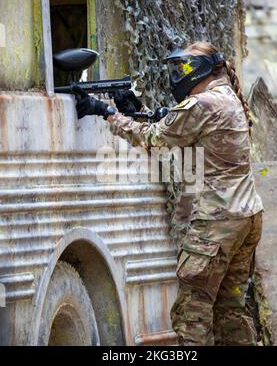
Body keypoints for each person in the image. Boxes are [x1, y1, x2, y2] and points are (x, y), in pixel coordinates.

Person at [74, 41, 264, 346]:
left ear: (195, 70)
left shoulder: (201, 104)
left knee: (193, 313)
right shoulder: (226, 96)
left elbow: (154, 139)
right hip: (248, 217)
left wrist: (107, 113)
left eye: (180, 68)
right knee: (231, 309)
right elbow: (174, 128)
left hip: (217, 223)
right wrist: (137, 111)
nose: (176, 74)